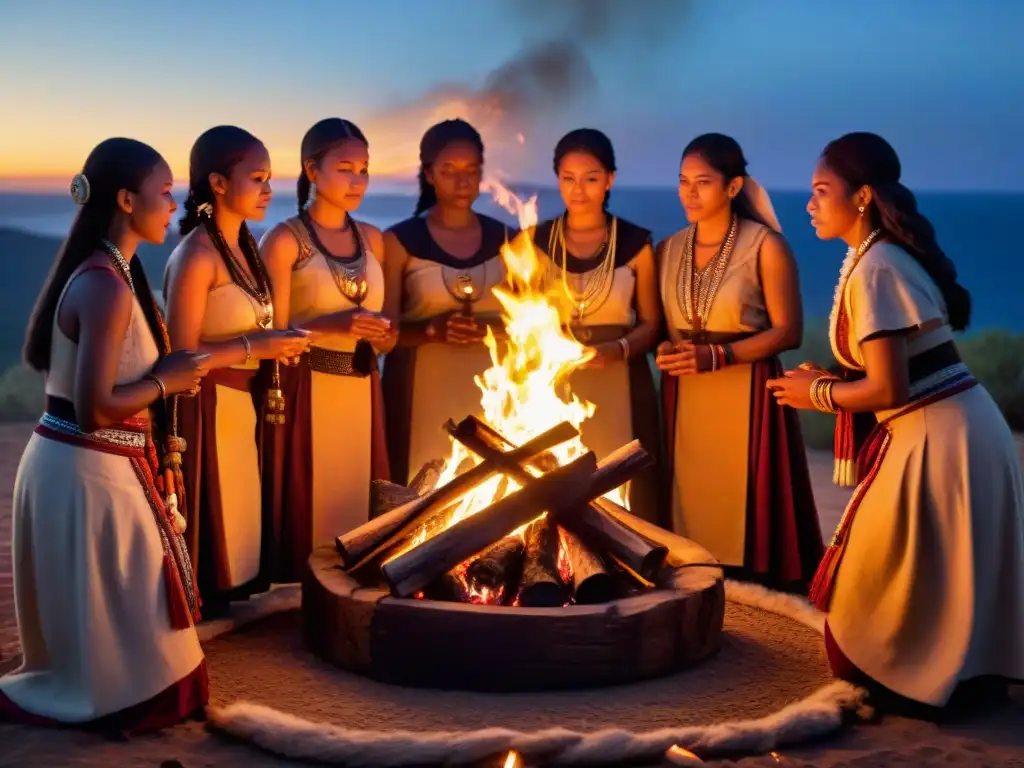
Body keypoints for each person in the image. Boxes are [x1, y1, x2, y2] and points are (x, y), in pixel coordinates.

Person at [768, 131, 1024, 711]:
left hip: (941, 436)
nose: (809, 204)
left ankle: (932, 682)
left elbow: (889, 387)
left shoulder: (877, 268)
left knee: (862, 613)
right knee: (932, 578)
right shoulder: (875, 257)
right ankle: (956, 676)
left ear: (860, 198)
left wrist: (820, 394)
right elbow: (888, 365)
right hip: (955, 429)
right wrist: (830, 374)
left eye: (820, 192)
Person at [0, 138, 210, 732]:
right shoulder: (105, 285)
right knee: (138, 672)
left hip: (96, 467)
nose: (175, 204)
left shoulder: (117, 270)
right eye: (165, 193)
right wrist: (166, 382)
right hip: (85, 469)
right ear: (125, 199)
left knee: (149, 650)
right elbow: (95, 410)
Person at [655, 133, 822, 590]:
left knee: (745, 505)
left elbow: (790, 331)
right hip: (685, 394)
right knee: (688, 506)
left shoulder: (765, 246)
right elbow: (663, 330)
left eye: (703, 182)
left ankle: (755, 592)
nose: (689, 192)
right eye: (683, 181)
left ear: (733, 187)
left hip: (747, 390)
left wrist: (719, 354)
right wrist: (666, 351)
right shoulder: (667, 250)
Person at [164, 126, 311, 614]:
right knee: (215, 520)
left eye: (271, 178)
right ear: (219, 183)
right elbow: (180, 356)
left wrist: (274, 348)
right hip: (204, 406)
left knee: (243, 524)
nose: (269, 190)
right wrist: (258, 344)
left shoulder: (246, 248)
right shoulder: (196, 255)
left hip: (240, 402)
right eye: (258, 178)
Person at [259, 118, 392, 580]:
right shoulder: (284, 241)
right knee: (310, 502)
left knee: (358, 502)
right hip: (306, 386)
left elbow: (386, 326)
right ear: (312, 171)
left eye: (364, 170)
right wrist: (331, 324)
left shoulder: (374, 240)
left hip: (362, 386)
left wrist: (383, 334)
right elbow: (270, 334)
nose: (357, 180)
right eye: (345, 169)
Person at [517, 128, 663, 523]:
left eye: (591, 178)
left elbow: (652, 323)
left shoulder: (635, 242)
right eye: (568, 178)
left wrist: (616, 350)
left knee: (622, 481)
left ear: (610, 179)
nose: (578, 189)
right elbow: (521, 316)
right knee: (556, 478)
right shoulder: (536, 240)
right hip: (554, 379)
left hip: (621, 375)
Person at [381, 119, 516, 484]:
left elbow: (531, 321)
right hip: (420, 388)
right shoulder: (399, 241)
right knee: (423, 483)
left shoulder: (510, 240)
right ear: (428, 174)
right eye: (449, 170)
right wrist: (430, 330)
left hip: (493, 386)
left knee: (491, 487)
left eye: (471, 171)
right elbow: (384, 333)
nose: (462, 182)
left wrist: (492, 330)